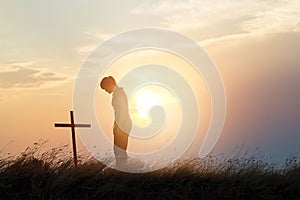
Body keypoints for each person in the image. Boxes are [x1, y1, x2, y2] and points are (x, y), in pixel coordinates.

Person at [100, 76, 132, 167]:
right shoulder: (117, 93)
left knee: (119, 150)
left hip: (123, 124)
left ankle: (122, 169)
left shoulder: (119, 93)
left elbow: (122, 110)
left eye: (105, 88)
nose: (106, 91)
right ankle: (122, 168)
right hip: (122, 124)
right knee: (119, 149)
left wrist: (119, 126)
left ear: (109, 85)